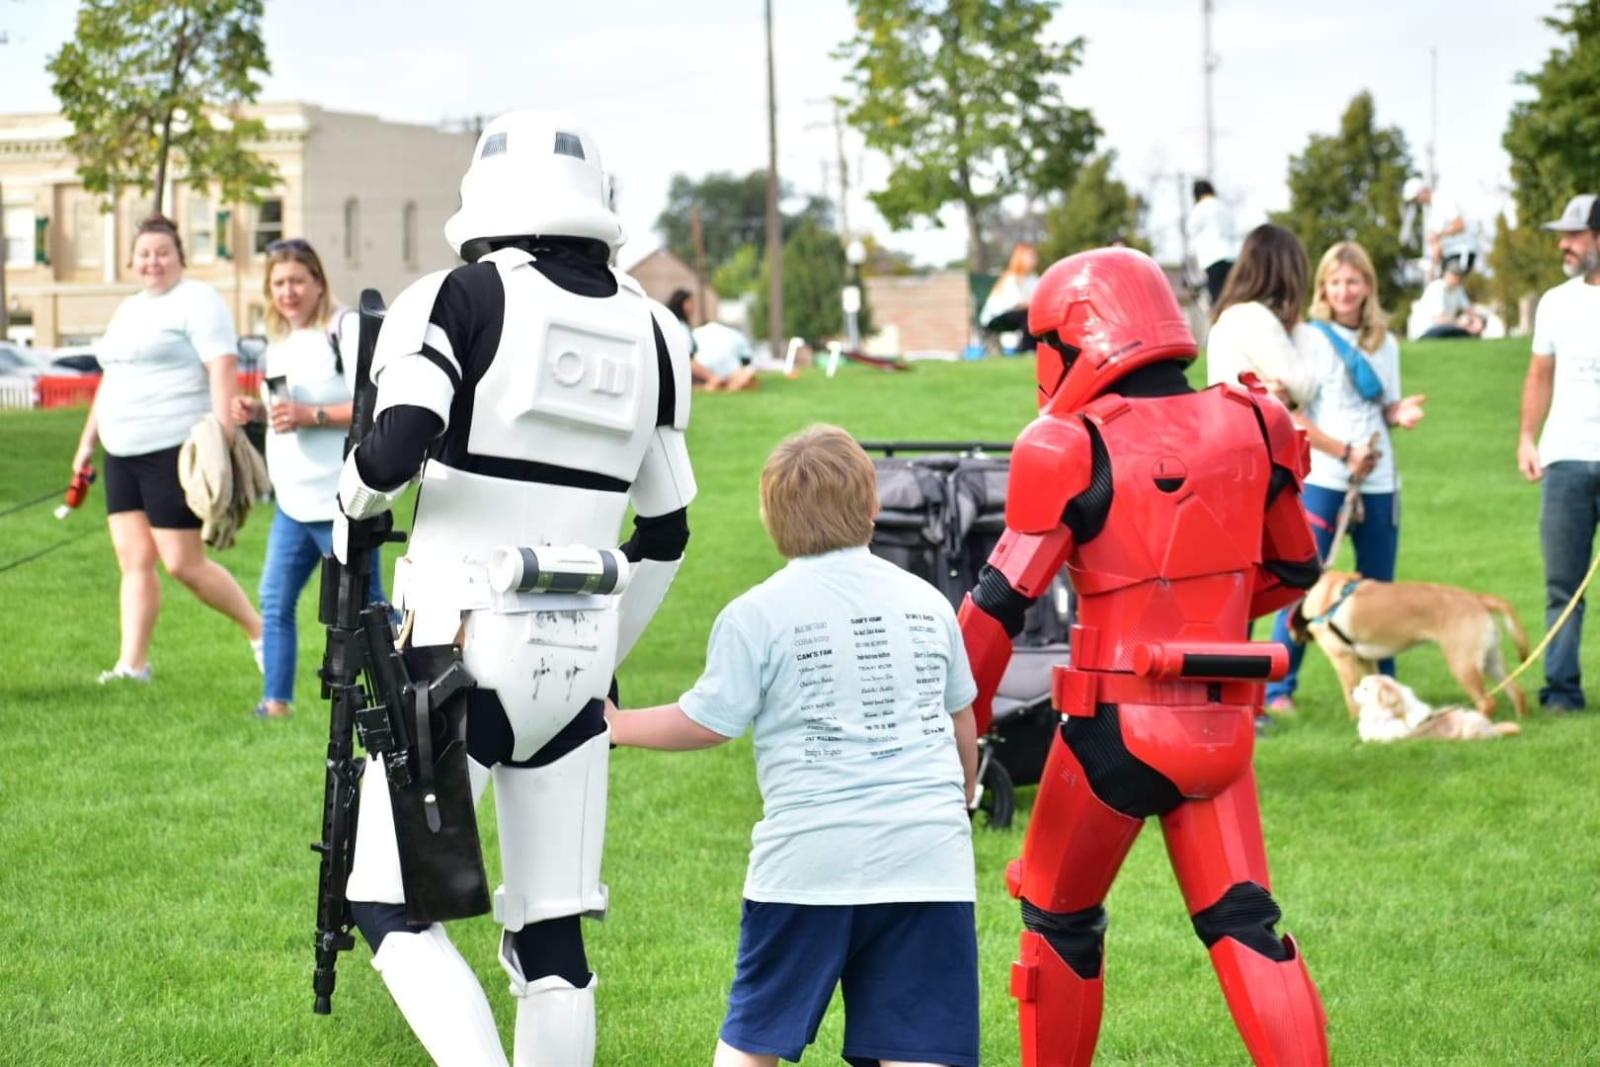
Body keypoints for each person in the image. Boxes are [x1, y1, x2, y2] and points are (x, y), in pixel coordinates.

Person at [334, 110, 695, 1066]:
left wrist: (346, 499)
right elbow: (668, 530)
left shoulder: (453, 296)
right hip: (578, 664)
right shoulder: (656, 329)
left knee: (384, 901)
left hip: (456, 651)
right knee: (551, 939)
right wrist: (606, 655)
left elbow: (397, 444)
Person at [958, 247, 1327, 1066]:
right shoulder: (1255, 421)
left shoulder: (1066, 444)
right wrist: (1218, 610)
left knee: (1058, 918)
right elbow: (1297, 566)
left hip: (1111, 727)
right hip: (1224, 726)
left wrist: (962, 728)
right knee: (1245, 923)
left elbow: (997, 607)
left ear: (1077, 336)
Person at [609, 423, 981, 1067]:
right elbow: (961, 723)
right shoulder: (930, 602)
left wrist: (616, 724)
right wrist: (963, 801)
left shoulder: (757, 612)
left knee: (755, 1040)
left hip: (809, 867)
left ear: (769, 518)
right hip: (929, 860)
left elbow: (709, 720)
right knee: (919, 1048)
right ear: (873, 507)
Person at [69, 214, 262, 683]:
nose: (152, 261)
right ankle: (132, 666)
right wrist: (86, 445)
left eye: (162, 252)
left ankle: (262, 635)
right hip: (122, 450)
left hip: (173, 448)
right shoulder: (129, 309)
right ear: (133, 261)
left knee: (182, 563)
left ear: (179, 256)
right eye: (144, 254)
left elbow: (221, 367)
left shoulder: (197, 299)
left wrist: (224, 436)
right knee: (133, 560)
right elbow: (111, 379)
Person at [1265, 242, 1427, 713]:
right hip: (1326, 477)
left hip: (1378, 481)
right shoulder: (1308, 339)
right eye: (1335, 282)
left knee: (1381, 589)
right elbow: (1291, 413)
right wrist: (1343, 451)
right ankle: (1279, 689)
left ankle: (1387, 689)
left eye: (1353, 281)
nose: (1344, 291)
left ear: (1368, 287)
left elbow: (1386, 408)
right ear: (1323, 288)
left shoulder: (1385, 343)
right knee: (1300, 582)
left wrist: (1402, 413)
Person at [229, 238, 384, 719]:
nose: (288, 292)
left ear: (319, 282)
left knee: (368, 609)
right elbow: (284, 413)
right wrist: (255, 411)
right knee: (274, 601)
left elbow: (374, 406)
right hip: (292, 503)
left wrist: (309, 414)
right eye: (278, 283)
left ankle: (408, 686)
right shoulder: (280, 344)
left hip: (339, 501)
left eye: (297, 280)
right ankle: (275, 703)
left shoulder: (347, 329)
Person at [1517, 192, 1600, 713]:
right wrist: (1528, 437)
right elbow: (1539, 374)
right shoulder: (1555, 302)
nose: (1564, 245)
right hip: (1565, 459)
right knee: (1563, 584)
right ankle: (1562, 692)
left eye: (1573, 235)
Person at [1206, 223, 1318, 410]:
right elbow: (1304, 387)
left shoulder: (1228, 317)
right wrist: (1300, 327)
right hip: (1254, 435)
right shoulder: (1255, 318)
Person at [1407, 251, 1484, 341]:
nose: (1458, 279)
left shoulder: (1458, 289)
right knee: (1459, 332)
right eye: (1455, 275)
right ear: (1446, 274)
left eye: (1460, 276)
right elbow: (1439, 319)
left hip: (1447, 327)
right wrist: (1461, 324)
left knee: (1465, 334)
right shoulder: (1436, 288)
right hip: (1425, 331)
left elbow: (1468, 309)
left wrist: (1477, 322)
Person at [1402, 176, 1467, 282]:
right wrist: (1433, 266)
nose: (1417, 202)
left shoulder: (1442, 199)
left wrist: (1439, 234)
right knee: (1442, 288)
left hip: (1460, 253)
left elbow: (1460, 225)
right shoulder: (1433, 209)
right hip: (1448, 256)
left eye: (1416, 198)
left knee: (1449, 286)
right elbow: (1437, 243)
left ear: (1422, 191)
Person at [1187, 179, 1240, 305]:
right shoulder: (1224, 207)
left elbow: (1191, 232)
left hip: (1212, 258)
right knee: (1232, 295)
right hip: (1232, 256)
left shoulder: (1199, 209)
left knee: (1217, 297)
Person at [979, 242, 1040, 351]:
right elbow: (1015, 304)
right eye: (1030, 256)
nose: (1033, 259)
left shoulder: (1034, 279)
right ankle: (1026, 349)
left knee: (1034, 317)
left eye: (1034, 256)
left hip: (1021, 315)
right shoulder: (1011, 278)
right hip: (996, 317)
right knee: (1029, 316)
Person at [692, 318, 759, 391]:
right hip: (729, 370)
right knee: (745, 373)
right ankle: (721, 383)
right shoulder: (735, 333)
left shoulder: (694, 332)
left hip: (701, 368)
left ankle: (711, 382)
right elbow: (747, 360)